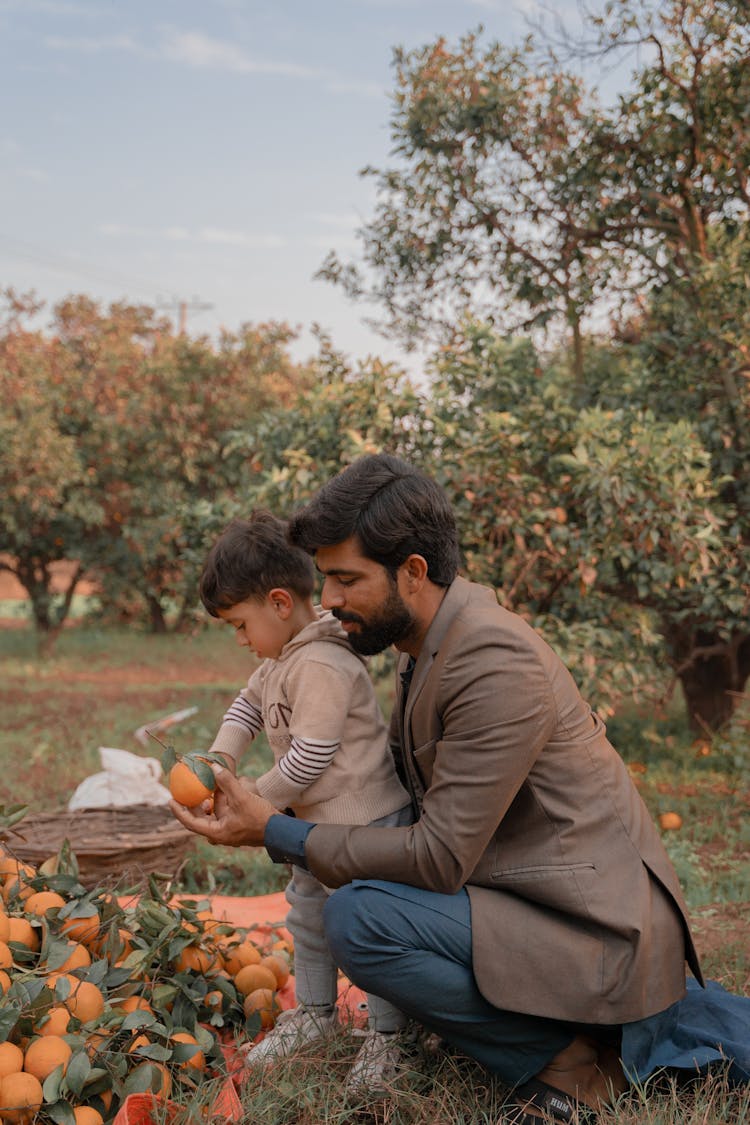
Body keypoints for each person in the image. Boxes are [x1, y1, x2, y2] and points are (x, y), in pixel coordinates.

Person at [173, 456, 748, 1123]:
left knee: (358, 918)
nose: (326, 598)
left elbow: (440, 855)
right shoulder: (429, 641)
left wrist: (276, 827)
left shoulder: (493, 660)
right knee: (360, 902)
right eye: (327, 577)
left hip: (596, 930)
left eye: (346, 578)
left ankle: (576, 1062)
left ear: (412, 572)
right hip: (525, 893)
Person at [196, 510, 412, 1092]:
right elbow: (244, 710)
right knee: (309, 917)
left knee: (368, 927)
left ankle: (388, 1036)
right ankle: (316, 1014)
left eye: (241, 625)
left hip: (364, 823)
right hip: (314, 827)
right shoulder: (279, 660)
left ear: (279, 603)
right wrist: (220, 763)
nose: (242, 641)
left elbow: (312, 757)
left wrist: (255, 802)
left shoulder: (321, 661)